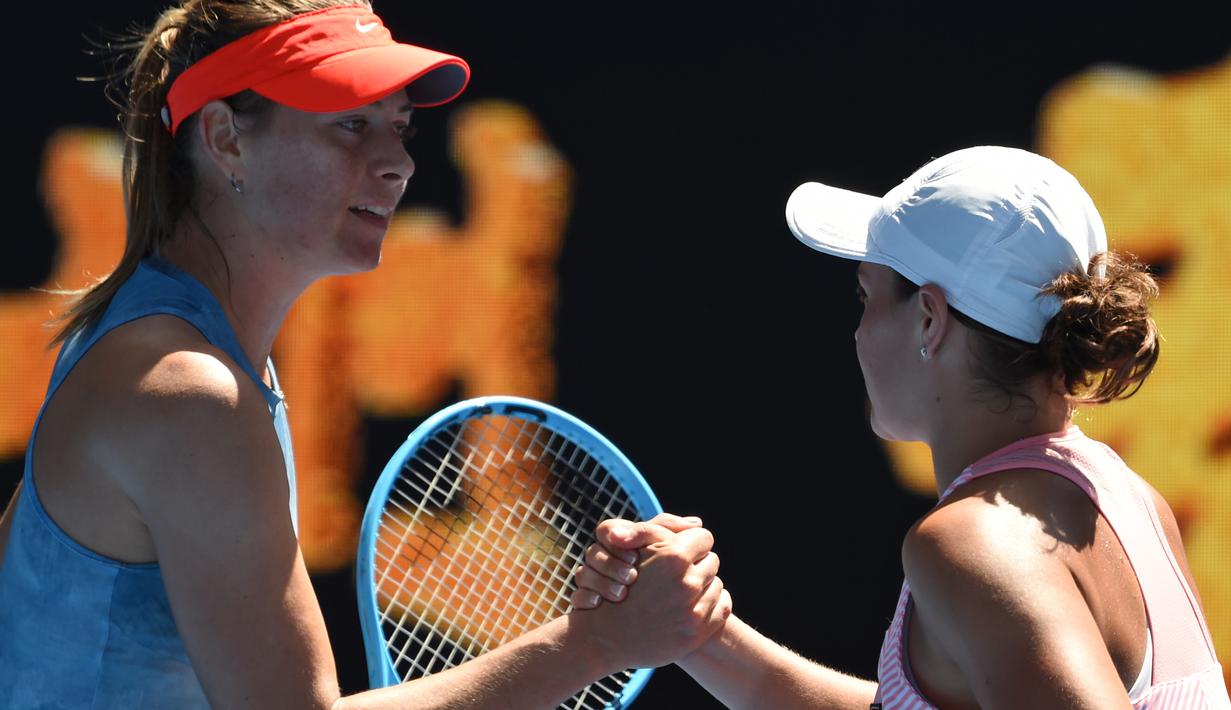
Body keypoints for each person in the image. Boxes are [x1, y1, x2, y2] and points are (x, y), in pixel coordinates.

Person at [0, 2, 731, 707]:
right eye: (351, 125)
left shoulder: (159, 346)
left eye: (400, 128)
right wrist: (593, 647)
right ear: (225, 139)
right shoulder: (189, 392)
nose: (398, 164)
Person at [576, 146, 1231, 708]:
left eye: (865, 296)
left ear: (928, 319)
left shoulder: (972, 544)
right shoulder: (1130, 499)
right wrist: (698, 634)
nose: (857, 332)